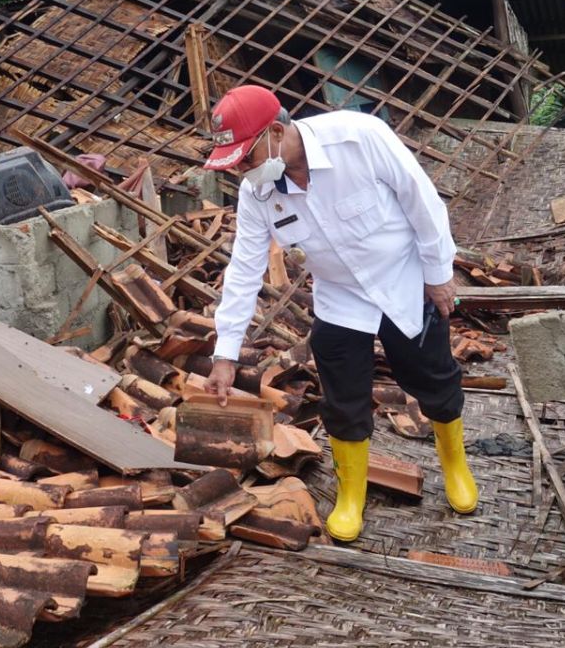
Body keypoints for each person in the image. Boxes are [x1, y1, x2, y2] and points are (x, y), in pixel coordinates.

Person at [201, 85, 476, 542]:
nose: (243, 172)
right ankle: (352, 496)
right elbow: (244, 267)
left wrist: (439, 273)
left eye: (245, 159)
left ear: (275, 131)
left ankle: (456, 465)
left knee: (434, 379)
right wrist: (224, 354)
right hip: (341, 297)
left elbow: (421, 200)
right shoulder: (258, 193)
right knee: (342, 397)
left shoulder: (359, 138)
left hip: (402, 280)